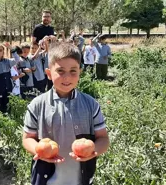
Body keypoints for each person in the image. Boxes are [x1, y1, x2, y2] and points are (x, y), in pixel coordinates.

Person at [22, 42, 110, 185]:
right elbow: (27, 139)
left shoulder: (91, 105)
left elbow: (103, 139)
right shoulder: (37, 105)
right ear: (49, 74)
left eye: (73, 71)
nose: (67, 77)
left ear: (79, 73)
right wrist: (39, 152)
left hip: (81, 179)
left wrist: (93, 151)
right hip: (46, 178)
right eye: (60, 71)